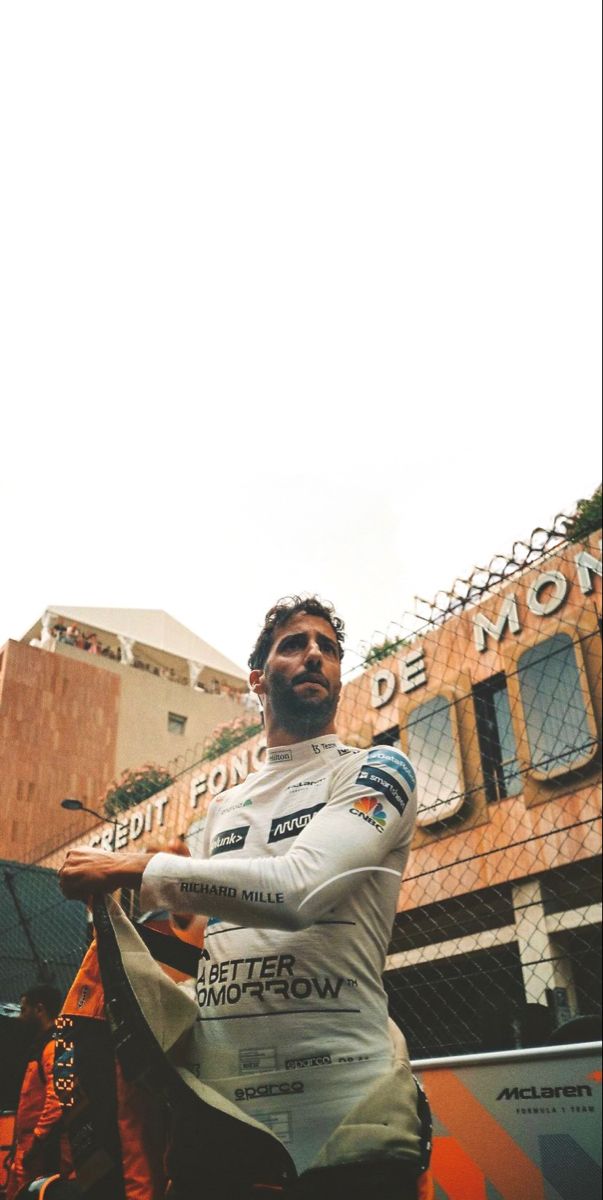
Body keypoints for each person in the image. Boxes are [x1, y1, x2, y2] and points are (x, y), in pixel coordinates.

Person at [59, 596, 426, 1198]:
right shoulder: (220, 811)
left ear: (338, 675)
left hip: (348, 1121)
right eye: (294, 644)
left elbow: (299, 889)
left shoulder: (376, 771)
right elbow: (194, 952)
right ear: (258, 679)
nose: (314, 655)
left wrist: (131, 866)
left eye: (328, 649)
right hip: (218, 1121)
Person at [6, 984, 67, 1199]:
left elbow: (58, 1097)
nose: (20, 1017)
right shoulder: (41, 1045)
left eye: (23, 1010)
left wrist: (37, 1141)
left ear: (39, 1010)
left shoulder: (54, 1046)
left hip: (40, 1150)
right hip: (28, 1146)